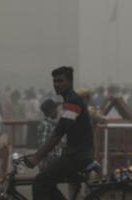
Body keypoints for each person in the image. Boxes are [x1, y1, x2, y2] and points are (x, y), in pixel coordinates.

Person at [24, 67, 94, 200]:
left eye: (61, 81)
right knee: (47, 183)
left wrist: (37, 157)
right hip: (76, 154)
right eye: (55, 81)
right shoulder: (70, 100)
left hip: (77, 157)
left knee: (40, 184)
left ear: (70, 82)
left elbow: (58, 133)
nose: (57, 84)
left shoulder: (73, 101)